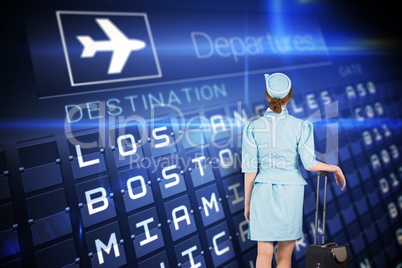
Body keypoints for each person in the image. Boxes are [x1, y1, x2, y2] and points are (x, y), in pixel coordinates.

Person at [241, 73, 346, 268]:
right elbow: (309, 164)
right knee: (284, 257)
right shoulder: (301, 126)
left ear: (267, 96)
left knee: (263, 254)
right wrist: (334, 167)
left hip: (262, 192)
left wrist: (248, 203)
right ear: (289, 96)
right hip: (291, 193)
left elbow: (249, 170)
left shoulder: (252, 127)